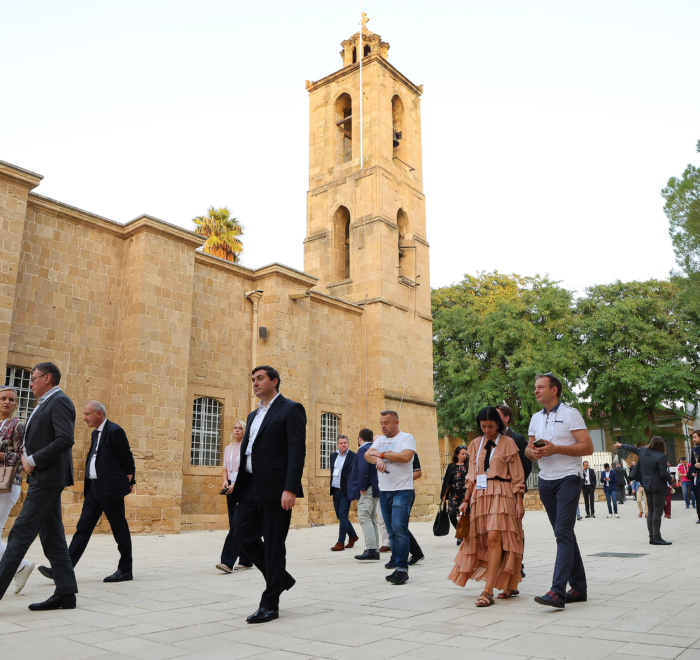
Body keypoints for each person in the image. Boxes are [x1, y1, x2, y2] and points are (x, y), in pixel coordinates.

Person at [231, 366, 306, 624]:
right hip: (250, 485)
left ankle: (270, 603)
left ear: (274, 381)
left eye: (260, 378)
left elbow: (296, 450)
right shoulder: (252, 415)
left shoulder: (291, 409)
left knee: (274, 544)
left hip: (276, 487)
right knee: (241, 533)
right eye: (253, 379)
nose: (255, 383)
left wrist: (290, 488)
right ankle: (280, 578)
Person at [0, 362, 78, 610]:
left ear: (47, 378)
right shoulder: (46, 403)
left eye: (33, 379)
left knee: (20, 533)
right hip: (43, 478)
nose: (30, 383)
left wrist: (32, 460)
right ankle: (66, 593)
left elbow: (65, 439)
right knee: (52, 538)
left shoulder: (60, 401)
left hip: (47, 478)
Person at [38, 401, 135, 585]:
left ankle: (125, 570)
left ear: (99, 414)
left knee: (119, 529)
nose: (84, 418)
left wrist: (130, 481)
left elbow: (127, 458)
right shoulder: (95, 433)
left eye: (87, 414)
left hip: (110, 490)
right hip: (94, 489)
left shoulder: (115, 431)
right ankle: (63, 570)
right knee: (82, 529)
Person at [527, 373, 593, 609]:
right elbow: (528, 449)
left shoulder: (570, 414)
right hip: (545, 481)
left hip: (568, 478)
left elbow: (588, 447)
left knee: (563, 533)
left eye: (540, 387)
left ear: (554, 390)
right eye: (535, 387)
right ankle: (579, 588)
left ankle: (557, 592)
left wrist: (557, 449)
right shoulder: (535, 418)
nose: (536, 391)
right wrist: (532, 452)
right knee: (565, 533)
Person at [448, 407, 525, 606]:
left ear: (498, 424)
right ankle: (507, 583)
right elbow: (471, 475)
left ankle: (488, 591)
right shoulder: (475, 444)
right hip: (480, 496)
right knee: (486, 540)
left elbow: (517, 475)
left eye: (491, 426)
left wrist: (519, 502)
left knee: (495, 538)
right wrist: (465, 500)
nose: (487, 430)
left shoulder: (508, 442)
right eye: (483, 426)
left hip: (502, 493)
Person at [364, 410, 416, 585]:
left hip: (402, 490)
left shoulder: (406, 438)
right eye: (381, 423)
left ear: (396, 423)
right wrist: (377, 460)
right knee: (391, 531)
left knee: (399, 527)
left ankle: (402, 569)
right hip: (385, 491)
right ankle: (396, 563)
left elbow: (405, 456)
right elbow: (367, 455)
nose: (383, 426)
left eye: (386, 423)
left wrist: (382, 455)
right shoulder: (380, 441)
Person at [0, 386, 34, 594]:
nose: (7, 402)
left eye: (11, 399)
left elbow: (22, 458)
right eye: (3, 398)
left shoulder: (17, 425)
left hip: (6, 484)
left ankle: (20, 565)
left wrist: (2, 456)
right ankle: (20, 565)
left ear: (16, 404)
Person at [495, 404, 531, 578]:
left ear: (506, 418)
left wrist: (516, 487)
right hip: (495, 491)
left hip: (512, 490)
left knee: (515, 528)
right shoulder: (490, 439)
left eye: (497, 415)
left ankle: (518, 564)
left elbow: (526, 466)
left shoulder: (517, 438)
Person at [614, 438, 673, 545]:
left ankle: (652, 537)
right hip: (658, 486)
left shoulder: (643, 451)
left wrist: (621, 445)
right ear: (662, 446)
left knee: (650, 511)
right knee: (658, 511)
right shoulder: (661, 456)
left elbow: (632, 448)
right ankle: (657, 537)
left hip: (647, 485)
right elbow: (664, 474)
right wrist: (671, 479)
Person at [217, 420, 253, 573]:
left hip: (243, 485)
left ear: (244, 431)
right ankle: (247, 559)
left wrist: (237, 484)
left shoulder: (248, 449)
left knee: (237, 523)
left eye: (240, 428)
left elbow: (247, 470)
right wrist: (225, 481)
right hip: (230, 486)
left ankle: (227, 561)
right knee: (234, 522)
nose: (237, 430)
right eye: (235, 428)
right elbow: (225, 469)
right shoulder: (228, 448)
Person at [347, 428, 381, 560]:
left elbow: (363, 469)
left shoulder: (363, 450)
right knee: (371, 518)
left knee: (364, 516)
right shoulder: (374, 449)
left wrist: (362, 487)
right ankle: (374, 549)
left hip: (367, 489)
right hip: (375, 488)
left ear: (360, 439)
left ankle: (371, 549)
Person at [329, 435, 358, 551]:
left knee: (343, 515)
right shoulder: (333, 456)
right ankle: (353, 536)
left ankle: (340, 542)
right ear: (337, 445)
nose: (343, 445)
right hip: (335, 489)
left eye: (345, 443)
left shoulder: (353, 456)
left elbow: (355, 473)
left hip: (346, 491)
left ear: (348, 444)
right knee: (340, 515)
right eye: (341, 443)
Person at [440, 445, 468, 539]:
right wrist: (444, 495)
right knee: (452, 515)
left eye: (465, 454)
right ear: (457, 455)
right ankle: (459, 532)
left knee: (465, 515)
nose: (464, 456)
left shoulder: (468, 466)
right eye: (462, 454)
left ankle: (463, 536)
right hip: (454, 495)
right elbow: (447, 481)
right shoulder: (451, 466)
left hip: (466, 495)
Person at [688, 430, 700, 524]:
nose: (693, 440)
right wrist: (695, 467)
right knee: (698, 500)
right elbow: (691, 466)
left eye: (695, 437)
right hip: (698, 481)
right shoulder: (694, 450)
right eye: (693, 437)